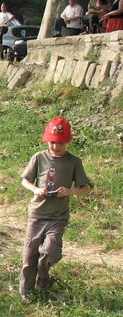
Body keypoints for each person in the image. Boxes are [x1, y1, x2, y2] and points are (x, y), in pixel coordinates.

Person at [19, 116, 92, 303]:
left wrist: (70, 191)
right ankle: (26, 292)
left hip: (58, 218)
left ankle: (44, 280)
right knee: (29, 255)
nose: (55, 147)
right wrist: (36, 189)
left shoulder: (74, 162)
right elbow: (25, 180)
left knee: (49, 253)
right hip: (37, 215)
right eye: (52, 142)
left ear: (67, 141)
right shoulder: (39, 157)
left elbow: (86, 189)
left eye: (59, 143)